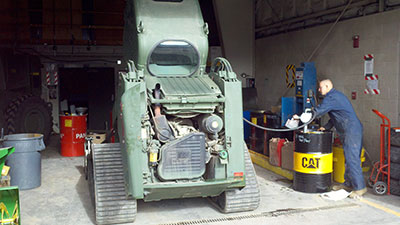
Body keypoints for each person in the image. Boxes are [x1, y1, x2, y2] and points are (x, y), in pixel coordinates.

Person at [300, 79, 366, 198]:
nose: (319, 90)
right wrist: (325, 128)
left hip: (351, 130)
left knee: (352, 158)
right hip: (349, 129)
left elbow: (319, 111)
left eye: (320, 87)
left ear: (327, 86)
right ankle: (348, 184)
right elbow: (335, 117)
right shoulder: (334, 97)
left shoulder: (332, 97)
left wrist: (302, 117)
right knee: (348, 158)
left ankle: (360, 188)